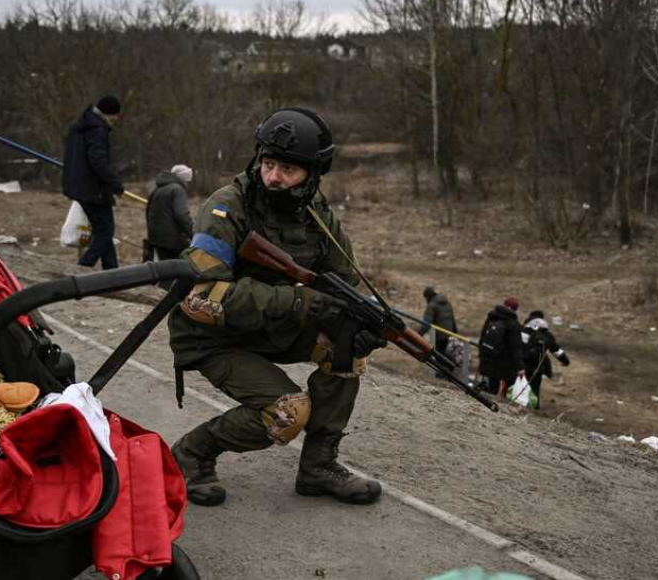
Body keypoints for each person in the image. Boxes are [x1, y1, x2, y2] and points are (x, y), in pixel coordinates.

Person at [167, 107, 388, 507]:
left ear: (313, 174)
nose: (273, 177)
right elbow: (201, 298)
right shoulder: (226, 208)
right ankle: (191, 454)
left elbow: (344, 284)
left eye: (287, 169)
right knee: (288, 412)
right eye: (268, 163)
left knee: (347, 346)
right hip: (213, 338)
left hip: (271, 329)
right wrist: (300, 301)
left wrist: (365, 323)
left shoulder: (316, 216)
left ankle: (319, 467)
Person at [62, 95, 125, 270]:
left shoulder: (80, 126)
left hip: (79, 186)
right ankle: (82, 268)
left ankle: (111, 271)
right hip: (93, 189)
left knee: (102, 231)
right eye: (116, 116)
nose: (116, 120)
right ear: (110, 113)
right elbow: (98, 162)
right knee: (105, 232)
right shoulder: (97, 129)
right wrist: (115, 184)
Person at [521, 310, 570, 409]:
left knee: (522, 385)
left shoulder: (526, 331)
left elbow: (518, 346)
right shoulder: (547, 336)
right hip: (538, 366)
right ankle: (534, 406)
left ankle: (521, 404)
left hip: (524, 364)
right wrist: (565, 361)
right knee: (535, 387)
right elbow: (557, 351)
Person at [477, 296, 525, 397]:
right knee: (506, 388)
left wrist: (481, 354)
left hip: (487, 358)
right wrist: (520, 367)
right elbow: (516, 348)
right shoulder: (513, 324)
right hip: (504, 362)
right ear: (515, 309)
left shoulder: (491, 317)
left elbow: (483, 336)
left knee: (489, 387)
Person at [145, 164, 195, 261]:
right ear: (183, 179)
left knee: (166, 270)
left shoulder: (157, 189)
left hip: (157, 239)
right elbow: (182, 215)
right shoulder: (177, 189)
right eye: (187, 181)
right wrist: (194, 234)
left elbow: (148, 212)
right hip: (173, 241)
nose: (187, 184)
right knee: (182, 268)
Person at [419, 286, 458, 377]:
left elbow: (426, 322)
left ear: (427, 296)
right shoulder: (447, 302)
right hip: (448, 331)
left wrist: (419, 334)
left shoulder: (432, 305)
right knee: (442, 350)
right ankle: (449, 366)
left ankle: (443, 371)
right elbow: (452, 318)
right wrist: (455, 332)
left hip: (440, 334)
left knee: (438, 353)